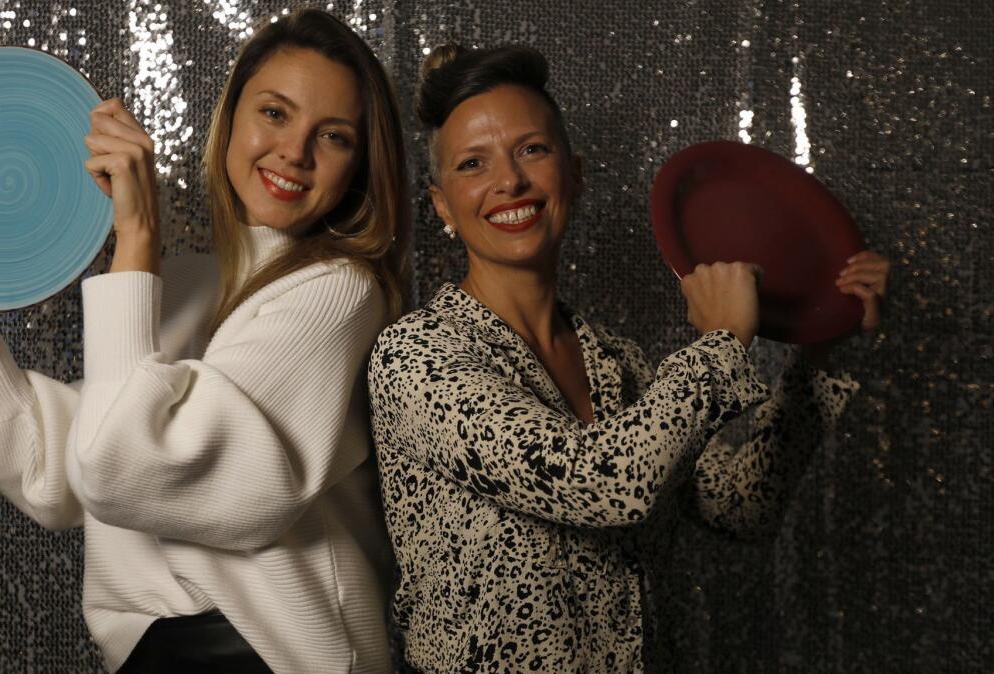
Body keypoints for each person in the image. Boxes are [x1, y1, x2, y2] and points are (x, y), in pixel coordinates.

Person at [0, 9, 408, 673]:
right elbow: (52, 473)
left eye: (335, 137)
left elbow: (126, 469)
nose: (295, 151)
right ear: (231, 117)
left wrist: (138, 240)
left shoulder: (339, 292)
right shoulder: (181, 282)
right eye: (274, 113)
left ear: (359, 167)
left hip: (266, 656)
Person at [367, 44, 892, 673]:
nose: (509, 181)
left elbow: (741, 504)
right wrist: (719, 344)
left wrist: (819, 352)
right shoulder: (418, 356)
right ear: (443, 206)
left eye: (532, 149)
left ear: (576, 174)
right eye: (473, 163)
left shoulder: (619, 360)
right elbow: (601, 482)